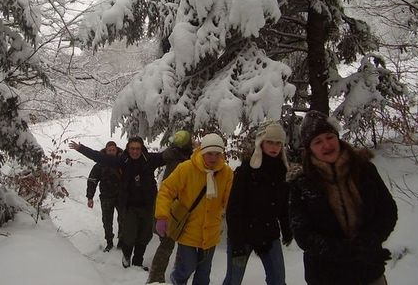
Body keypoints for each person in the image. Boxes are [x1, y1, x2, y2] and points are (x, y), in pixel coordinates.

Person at [289, 110, 398, 285]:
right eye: (318, 141)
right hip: (326, 276)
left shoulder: (365, 170)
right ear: (309, 149)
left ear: (337, 138)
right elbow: (302, 233)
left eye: (329, 137)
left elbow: (387, 210)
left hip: (369, 271)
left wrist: (370, 240)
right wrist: (344, 250)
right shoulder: (301, 184)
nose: (326, 145)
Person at [69, 136, 169, 271]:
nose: (135, 152)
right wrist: (81, 148)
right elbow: (100, 157)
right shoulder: (123, 161)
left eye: (138, 149)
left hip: (147, 205)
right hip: (128, 205)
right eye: (132, 149)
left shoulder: (149, 159)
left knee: (145, 235)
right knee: (128, 235)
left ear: (142, 149)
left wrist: (192, 148)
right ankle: (126, 255)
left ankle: (137, 263)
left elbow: (168, 155)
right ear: (128, 149)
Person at [154, 133, 233, 285]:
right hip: (188, 230)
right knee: (187, 266)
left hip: (211, 231)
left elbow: (230, 200)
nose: (213, 158)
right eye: (210, 153)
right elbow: (166, 190)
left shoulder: (226, 173)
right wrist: (162, 216)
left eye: (217, 154)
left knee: (204, 272)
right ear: (202, 151)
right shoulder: (186, 168)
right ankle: (177, 280)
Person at [223, 120, 292, 285]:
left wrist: (286, 227)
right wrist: (238, 243)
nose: (274, 147)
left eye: (278, 143)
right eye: (270, 142)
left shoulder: (282, 171)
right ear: (261, 143)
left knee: (278, 280)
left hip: (269, 234)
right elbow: (234, 208)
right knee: (233, 281)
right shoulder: (246, 170)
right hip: (243, 235)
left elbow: (282, 205)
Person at [148, 130, 194, 284]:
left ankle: (166, 276)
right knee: (167, 243)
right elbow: (157, 159)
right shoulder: (173, 155)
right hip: (172, 205)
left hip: (185, 206)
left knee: (177, 244)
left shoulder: (189, 157)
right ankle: (156, 278)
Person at [86, 141, 123, 252]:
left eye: (113, 150)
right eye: (109, 150)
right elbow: (92, 180)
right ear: (105, 151)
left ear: (116, 150)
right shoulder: (100, 164)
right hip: (106, 197)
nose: (111, 152)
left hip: (121, 196)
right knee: (107, 221)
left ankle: (121, 241)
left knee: (123, 219)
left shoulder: (122, 162)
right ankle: (109, 242)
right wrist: (90, 197)